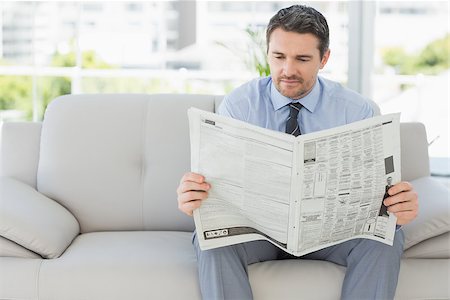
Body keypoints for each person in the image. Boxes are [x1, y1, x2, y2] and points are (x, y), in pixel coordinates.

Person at [177, 5, 419, 300]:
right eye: (278, 57)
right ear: (268, 52)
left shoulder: (359, 111)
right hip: (258, 233)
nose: (288, 70)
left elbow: (379, 194)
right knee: (209, 240)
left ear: (324, 58)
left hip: (332, 234)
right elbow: (218, 186)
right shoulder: (238, 107)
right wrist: (195, 197)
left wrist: (397, 205)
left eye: (302, 59)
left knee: (388, 238)